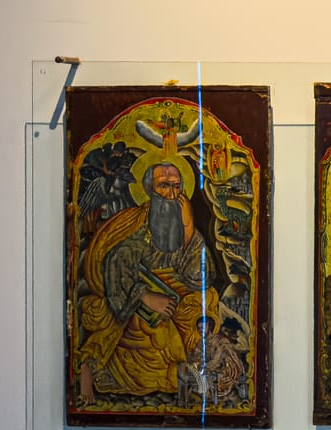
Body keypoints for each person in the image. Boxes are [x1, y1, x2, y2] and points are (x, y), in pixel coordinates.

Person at [74, 158, 225, 407]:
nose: (171, 194)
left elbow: (199, 275)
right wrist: (144, 296)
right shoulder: (136, 224)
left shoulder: (182, 219)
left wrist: (188, 230)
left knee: (207, 298)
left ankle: (188, 368)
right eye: (164, 185)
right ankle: (92, 366)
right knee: (149, 330)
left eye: (176, 186)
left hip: (173, 295)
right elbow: (116, 264)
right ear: (149, 190)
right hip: (137, 299)